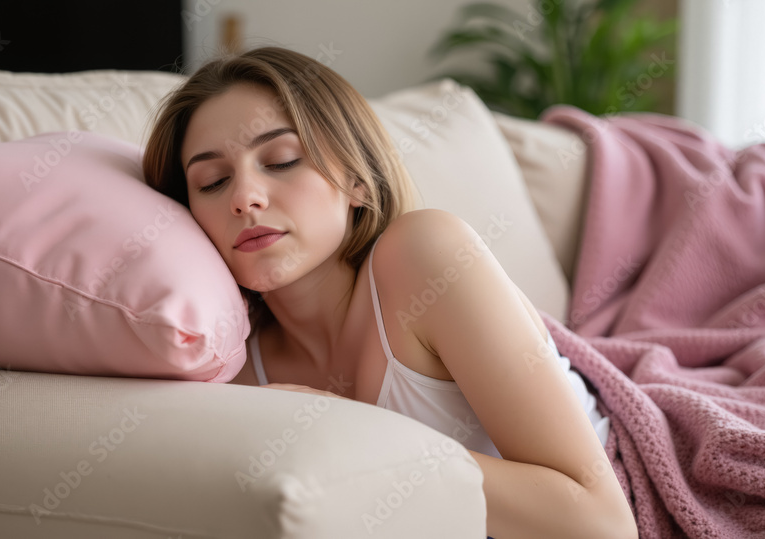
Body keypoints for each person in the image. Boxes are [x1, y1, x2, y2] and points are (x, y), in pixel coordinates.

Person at [142, 46, 637, 539]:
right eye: (213, 181)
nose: (244, 197)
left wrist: (359, 436)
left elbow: (601, 523)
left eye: (282, 160)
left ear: (356, 179)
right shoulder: (231, 368)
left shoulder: (424, 257)